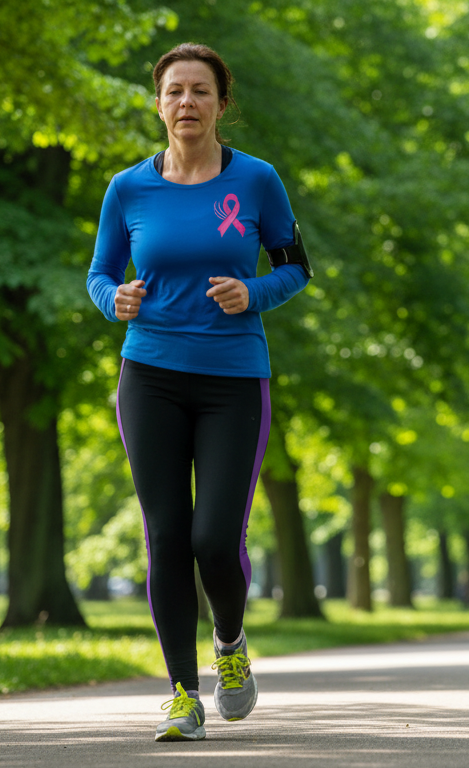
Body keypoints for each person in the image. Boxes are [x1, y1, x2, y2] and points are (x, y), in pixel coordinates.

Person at [86, 42, 312, 742]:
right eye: (175, 91)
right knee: (166, 536)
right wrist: (114, 299)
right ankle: (183, 695)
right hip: (149, 376)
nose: (187, 102)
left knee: (214, 538)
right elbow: (99, 273)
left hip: (233, 379)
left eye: (200, 91)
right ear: (159, 104)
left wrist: (254, 292)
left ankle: (230, 644)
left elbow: (295, 266)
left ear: (221, 103)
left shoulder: (257, 179)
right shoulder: (127, 188)